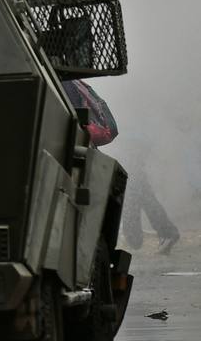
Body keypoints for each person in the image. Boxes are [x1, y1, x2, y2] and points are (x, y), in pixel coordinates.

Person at [63, 80, 180, 254]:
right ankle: (156, 233)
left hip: (132, 145)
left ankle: (150, 233)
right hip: (131, 145)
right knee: (137, 187)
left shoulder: (137, 100)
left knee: (134, 186)